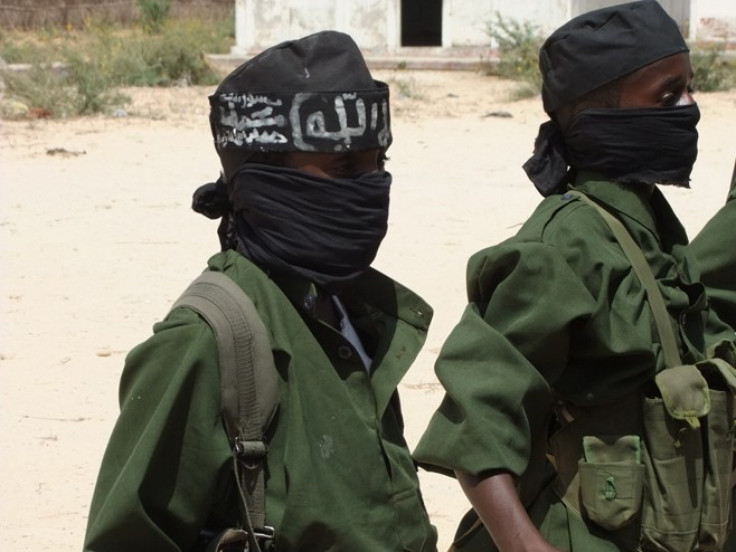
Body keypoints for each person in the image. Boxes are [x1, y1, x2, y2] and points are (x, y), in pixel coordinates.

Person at [83, 30, 438, 552]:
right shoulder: (208, 340)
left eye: (377, 164)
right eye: (343, 167)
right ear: (265, 180)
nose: (372, 188)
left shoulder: (347, 308)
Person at [414, 2, 736, 551]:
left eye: (690, 89)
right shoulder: (559, 247)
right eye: (666, 96)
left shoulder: (649, 222)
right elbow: (477, 433)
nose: (690, 110)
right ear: (601, 118)